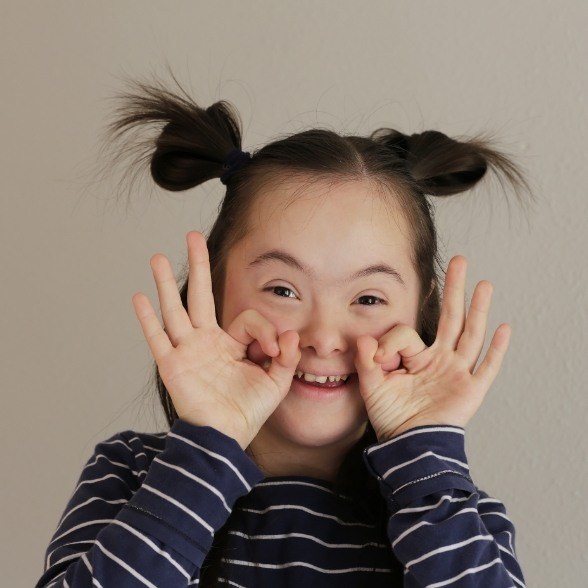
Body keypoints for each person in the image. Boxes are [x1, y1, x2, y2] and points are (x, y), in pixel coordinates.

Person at [37, 81, 527, 587]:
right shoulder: (132, 474)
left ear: (422, 311)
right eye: (282, 290)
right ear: (214, 293)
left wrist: (423, 456)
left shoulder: (449, 510)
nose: (323, 336)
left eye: (368, 299)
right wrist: (210, 442)